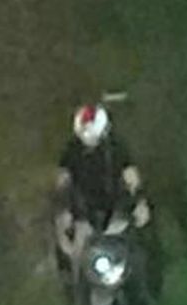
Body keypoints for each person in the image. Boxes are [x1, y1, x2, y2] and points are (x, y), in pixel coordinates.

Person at [55, 104, 150, 280]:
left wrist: (139, 200)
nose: (88, 139)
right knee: (76, 255)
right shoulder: (72, 152)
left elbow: (130, 176)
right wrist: (63, 213)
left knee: (137, 248)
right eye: (84, 135)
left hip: (116, 210)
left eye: (91, 135)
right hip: (84, 214)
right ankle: (78, 289)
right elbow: (63, 182)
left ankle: (144, 284)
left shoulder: (115, 148)